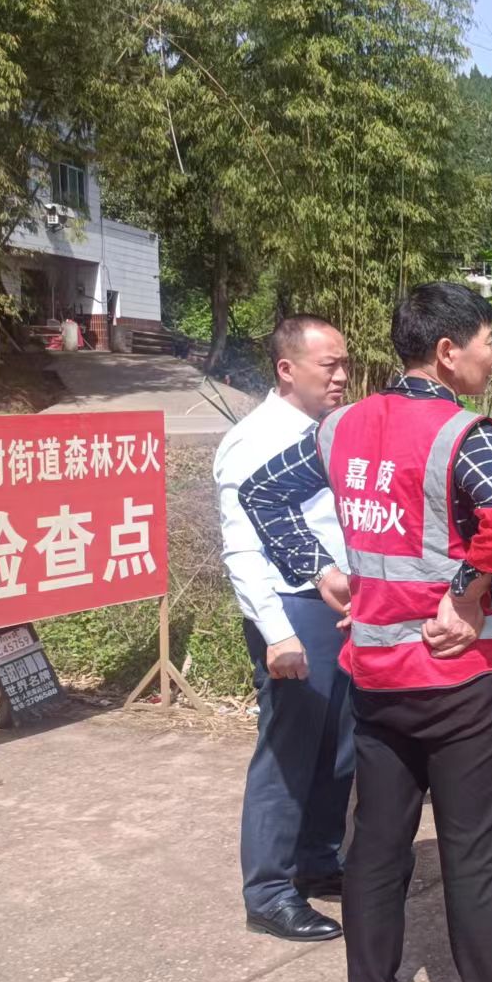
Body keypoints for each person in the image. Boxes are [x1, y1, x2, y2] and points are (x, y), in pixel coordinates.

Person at [240, 283, 492, 982]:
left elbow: (263, 493)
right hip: (465, 682)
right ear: (446, 351)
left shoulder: (341, 426)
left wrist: (319, 570)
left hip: (377, 682)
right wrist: (467, 596)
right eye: (488, 340)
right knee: (475, 858)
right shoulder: (460, 433)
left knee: (374, 852)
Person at [215, 315, 354, 943]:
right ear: (287, 369)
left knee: (339, 749)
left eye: (345, 363)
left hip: (341, 608)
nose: (342, 376)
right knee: (288, 753)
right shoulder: (254, 440)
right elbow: (242, 550)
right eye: (329, 365)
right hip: (293, 611)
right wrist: (277, 633)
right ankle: (269, 892)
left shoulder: (331, 431)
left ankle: (319, 860)